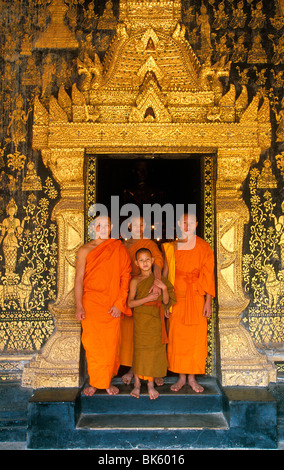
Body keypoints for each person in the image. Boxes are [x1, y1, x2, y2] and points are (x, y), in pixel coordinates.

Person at [75, 215, 131, 396]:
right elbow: (78, 280)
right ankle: (94, 382)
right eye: (99, 225)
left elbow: (125, 277)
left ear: (111, 226)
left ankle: (106, 382)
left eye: (107, 224)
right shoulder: (85, 250)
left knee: (110, 344)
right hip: (91, 303)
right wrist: (79, 306)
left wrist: (119, 304)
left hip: (112, 304)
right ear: (94, 227)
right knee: (93, 344)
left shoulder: (118, 248)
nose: (103, 227)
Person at [163, 212, 215, 393]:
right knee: (177, 339)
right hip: (177, 297)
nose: (187, 225)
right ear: (178, 224)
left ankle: (192, 378)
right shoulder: (172, 247)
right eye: (184, 222)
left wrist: (207, 301)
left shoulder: (204, 246)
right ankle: (180, 377)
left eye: (191, 222)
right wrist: (166, 302)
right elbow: (166, 275)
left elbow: (208, 276)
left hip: (196, 296)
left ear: (197, 224)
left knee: (195, 340)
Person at [120, 216, 164, 385]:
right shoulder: (123, 245)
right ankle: (133, 367)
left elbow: (158, 262)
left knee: (148, 333)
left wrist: (157, 282)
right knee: (130, 334)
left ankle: (150, 370)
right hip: (129, 287)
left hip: (147, 287)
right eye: (135, 225)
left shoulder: (150, 244)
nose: (139, 227)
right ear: (129, 226)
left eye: (142, 225)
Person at [127, 248, 176, 400]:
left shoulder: (159, 279)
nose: (145, 263)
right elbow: (130, 303)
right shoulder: (135, 280)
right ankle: (136, 384)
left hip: (156, 318)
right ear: (136, 263)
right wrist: (147, 299)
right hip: (141, 318)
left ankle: (149, 384)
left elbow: (167, 301)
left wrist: (163, 289)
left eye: (147, 259)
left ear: (153, 261)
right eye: (141, 260)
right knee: (140, 351)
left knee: (154, 351)